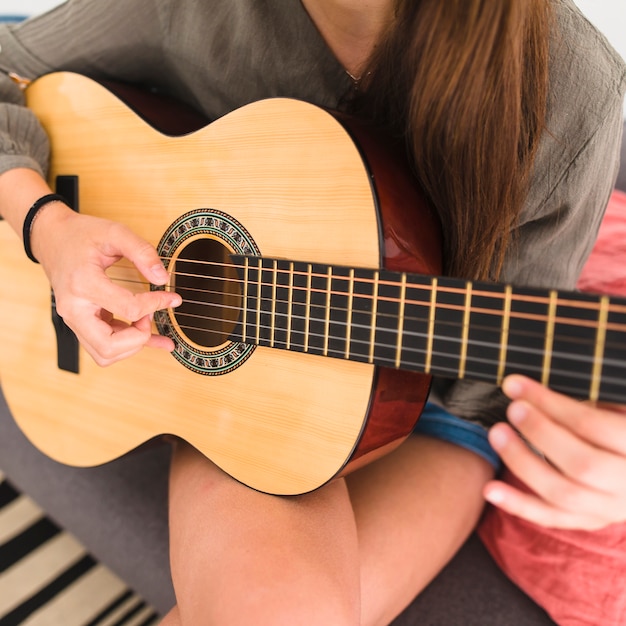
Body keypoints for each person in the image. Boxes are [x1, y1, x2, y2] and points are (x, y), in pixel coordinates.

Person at [0, 1, 625, 624]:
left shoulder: (569, 88)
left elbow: (496, 390)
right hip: (238, 393)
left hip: (435, 409)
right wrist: (45, 225)